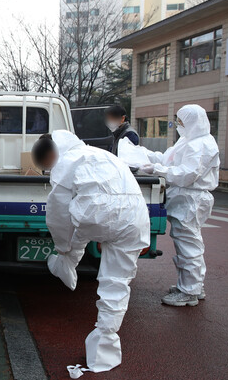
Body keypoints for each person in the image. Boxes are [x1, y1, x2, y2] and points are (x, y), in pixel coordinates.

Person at [31, 131, 150, 373]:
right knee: (117, 282)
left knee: (78, 228)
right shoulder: (104, 154)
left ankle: (66, 265)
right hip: (135, 218)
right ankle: (104, 347)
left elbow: (58, 215)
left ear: (54, 152)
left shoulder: (65, 163)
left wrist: (63, 248)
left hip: (96, 213)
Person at [139, 104, 219, 307]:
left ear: (193, 121)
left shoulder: (201, 144)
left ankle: (189, 291)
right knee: (187, 242)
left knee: (188, 244)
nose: (179, 125)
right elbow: (169, 160)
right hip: (185, 199)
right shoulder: (188, 141)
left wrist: (157, 170)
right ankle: (192, 285)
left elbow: (187, 174)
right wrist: (147, 156)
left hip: (191, 199)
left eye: (182, 121)